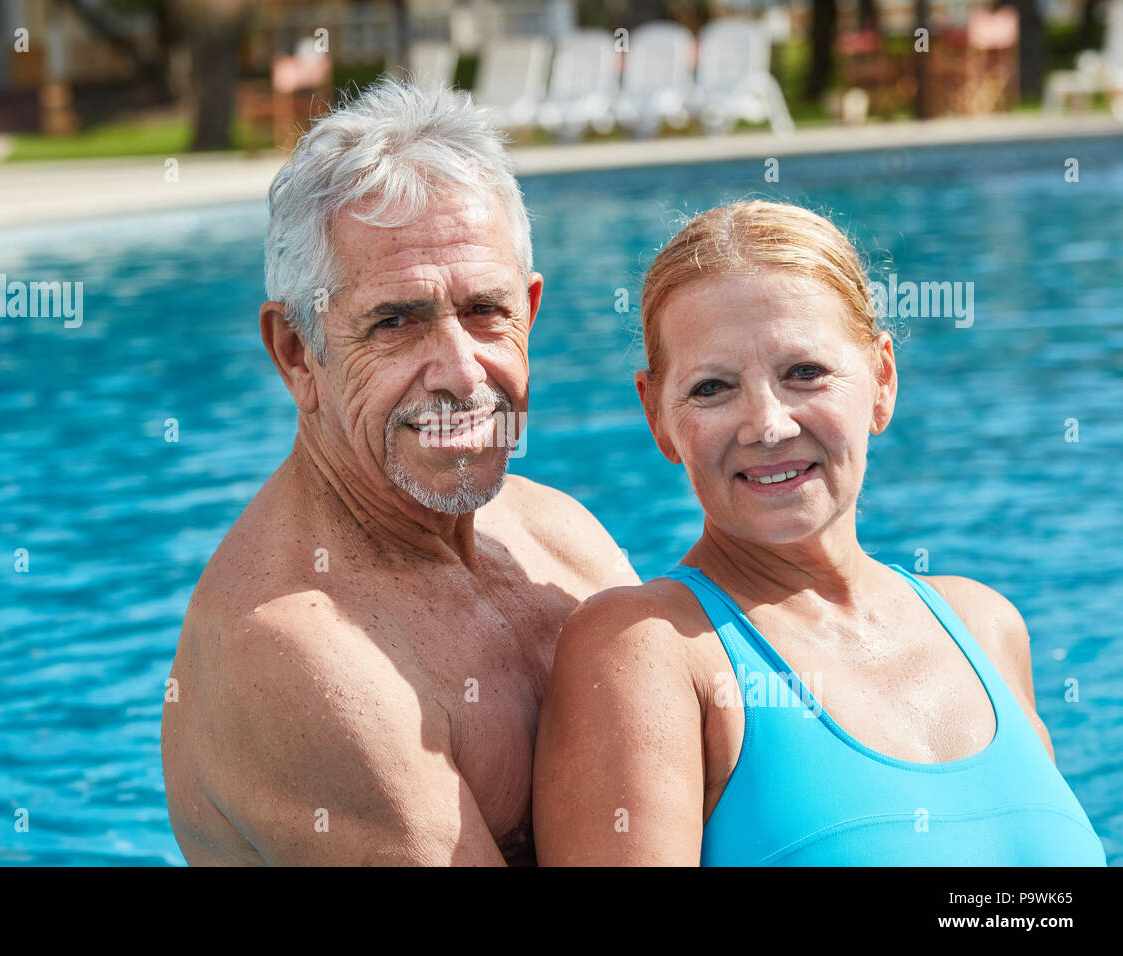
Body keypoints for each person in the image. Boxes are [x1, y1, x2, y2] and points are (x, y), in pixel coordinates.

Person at [532, 200, 1108, 866]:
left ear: (882, 380)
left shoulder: (986, 626)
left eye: (804, 373)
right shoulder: (650, 650)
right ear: (657, 419)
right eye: (713, 388)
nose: (767, 426)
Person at [161, 79, 639, 866]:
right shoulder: (297, 653)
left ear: (529, 310)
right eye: (395, 322)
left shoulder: (560, 530)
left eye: (486, 311)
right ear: (296, 353)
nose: (462, 371)